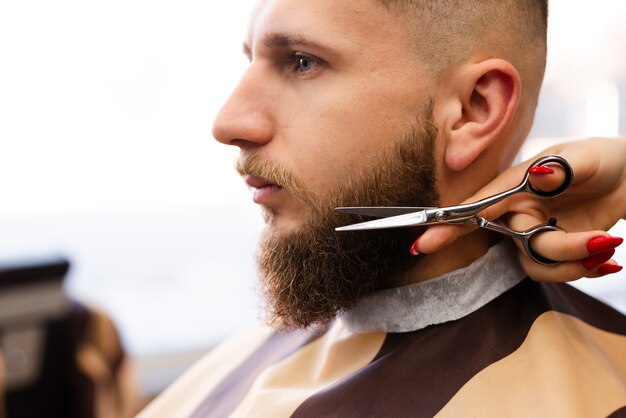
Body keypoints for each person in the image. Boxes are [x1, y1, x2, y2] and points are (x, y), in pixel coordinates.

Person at [138, 0, 626, 416]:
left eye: (302, 62)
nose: (228, 123)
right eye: (252, 60)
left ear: (473, 109)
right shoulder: (241, 359)